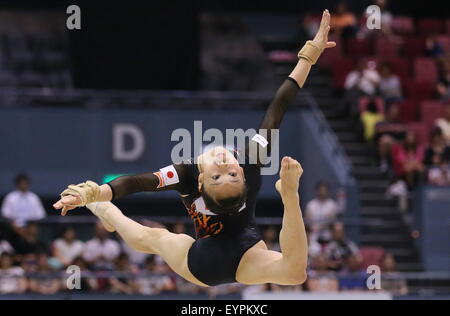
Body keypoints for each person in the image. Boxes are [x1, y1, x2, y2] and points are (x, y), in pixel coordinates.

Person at [53, 10, 336, 287]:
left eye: (218, 177)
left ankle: (102, 209)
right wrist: (310, 54)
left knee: (154, 238)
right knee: (294, 273)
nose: (226, 168)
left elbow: (136, 182)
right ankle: (105, 210)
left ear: (201, 182)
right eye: (232, 176)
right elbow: (278, 107)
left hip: (205, 265)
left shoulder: (187, 174)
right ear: (244, 177)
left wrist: (94, 192)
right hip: (248, 251)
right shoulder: (252, 159)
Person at [374, 103, 407, 172]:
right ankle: (384, 162)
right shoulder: (382, 121)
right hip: (384, 146)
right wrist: (393, 128)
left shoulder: (399, 122)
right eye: (393, 110)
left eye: (396, 111)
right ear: (388, 112)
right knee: (385, 139)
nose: (395, 112)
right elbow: (378, 129)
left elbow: (405, 130)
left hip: (398, 145)